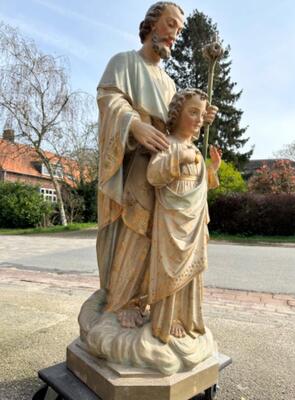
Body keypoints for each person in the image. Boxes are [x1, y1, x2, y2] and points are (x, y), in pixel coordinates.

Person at [96, 2, 218, 329]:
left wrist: (197, 117)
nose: (174, 35)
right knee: (135, 231)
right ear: (151, 25)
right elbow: (109, 100)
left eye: (178, 30)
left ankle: (144, 301)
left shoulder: (168, 83)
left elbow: (175, 126)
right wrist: (134, 125)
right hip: (134, 165)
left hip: (162, 173)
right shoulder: (124, 62)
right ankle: (120, 302)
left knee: (153, 239)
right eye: (170, 24)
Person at [147, 88, 222, 343]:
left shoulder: (196, 150)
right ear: (177, 114)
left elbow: (202, 185)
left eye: (201, 114)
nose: (199, 119)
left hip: (194, 219)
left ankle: (187, 317)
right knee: (171, 269)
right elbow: (153, 175)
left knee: (191, 273)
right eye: (193, 112)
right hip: (171, 219)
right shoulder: (168, 143)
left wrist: (212, 169)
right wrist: (178, 157)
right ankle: (168, 320)